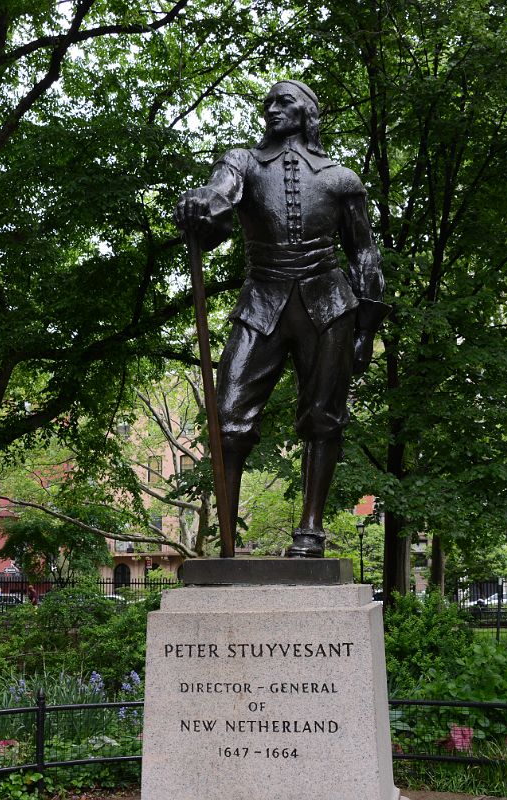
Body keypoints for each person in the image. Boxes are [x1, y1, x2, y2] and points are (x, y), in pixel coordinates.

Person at [176, 79, 389, 558]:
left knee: (324, 418)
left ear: (308, 112)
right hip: (262, 301)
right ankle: (226, 541)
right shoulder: (243, 162)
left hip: (329, 305)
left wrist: (365, 332)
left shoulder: (341, 178)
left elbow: (365, 257)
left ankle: (310, 532)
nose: (271, 109)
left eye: (284, 101)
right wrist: (200, 205)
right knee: (227, 418)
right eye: (267, 102)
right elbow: (219, 198)